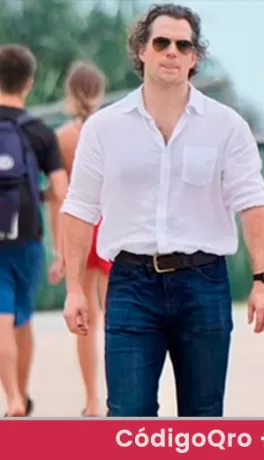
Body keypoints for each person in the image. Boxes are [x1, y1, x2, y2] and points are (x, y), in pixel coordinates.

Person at [59, 3, 264, 417]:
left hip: (204, 283)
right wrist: (74, 290)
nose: (172, 51)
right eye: (161, 42)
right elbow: (80, 208)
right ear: (142, 49)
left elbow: (252, 203)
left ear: (195, 57)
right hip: (129, 285)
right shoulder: (104, 128)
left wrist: (263, 279)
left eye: (183, 44)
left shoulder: (227, 126)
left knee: (202, 419)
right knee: (127, 418)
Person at [0, 44, 69, 417]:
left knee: (1, 318)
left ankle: (11, 397)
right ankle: (20, 394)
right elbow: (61, 193)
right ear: (28, 84)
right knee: (21, 318)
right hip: (27, 237)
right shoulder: (41, 132)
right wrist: (62, 252)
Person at [50, 60, 108, 417]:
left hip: (80, 227)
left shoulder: (64, 138)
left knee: (86, 318)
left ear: (70, 95)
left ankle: (91, 400)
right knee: (120, 315)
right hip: (112, 225)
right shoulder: (110, 130)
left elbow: (62, 200)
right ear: (99, 93)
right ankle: (122, 395)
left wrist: (61, 251)